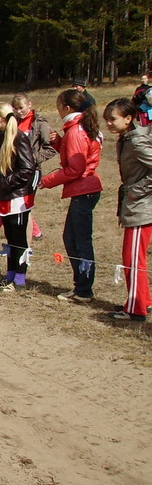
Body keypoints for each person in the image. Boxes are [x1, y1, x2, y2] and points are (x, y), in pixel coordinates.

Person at [40, 89, 102, 302]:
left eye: (58, 105)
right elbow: (74, 156)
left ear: (67, 107)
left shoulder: (76, 131)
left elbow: (75, 168)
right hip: (83, 189)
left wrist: (48, 181)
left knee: (79, 241)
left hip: (84, 189)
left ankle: (84, 289)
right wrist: (59, 143)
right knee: (72, 238)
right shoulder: (75, 129)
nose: (57, 110)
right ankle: (81, 286)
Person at [0, 94, 57, 243]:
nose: (19, 111)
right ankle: (29, 237)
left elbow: (48, 149)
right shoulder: (8, 127)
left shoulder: (38, 123)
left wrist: (32, 159)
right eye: (16, 108)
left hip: (26, 175)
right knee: (12, 217)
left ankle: (22, 243)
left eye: (21, 108)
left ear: (29, 105)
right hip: (12, 177)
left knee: (23, 211)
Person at [104, 98, 151, 322]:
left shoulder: (137, 142)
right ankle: (144, 301)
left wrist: (136, 190)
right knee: (133, 257)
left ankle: (136, 309)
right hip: (135, 205)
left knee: (132, 258)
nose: (109, 124)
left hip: (141, 208)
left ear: (128, 118)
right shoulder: (128, 138)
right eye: (106, 120)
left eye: (113, 119)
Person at [0, 103, 39, 292]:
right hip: (5, 197)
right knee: (10, 237)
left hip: (18, 198)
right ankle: (9, 275)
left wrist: (6, 182)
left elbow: (27, 169)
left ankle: (19, 280)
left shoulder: (19, 138)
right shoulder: (0, 139)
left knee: (19, 239)